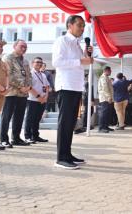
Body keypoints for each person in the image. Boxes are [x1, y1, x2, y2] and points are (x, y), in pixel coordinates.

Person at [52, 15, 93, 170]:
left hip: (76, 87)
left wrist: (87, 54)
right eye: (79, 25)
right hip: (66, 87)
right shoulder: (62, 41)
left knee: (70, 124)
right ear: (69, 25)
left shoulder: (77, 44)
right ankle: (60, 158)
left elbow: (83, 62)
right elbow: (57, 62)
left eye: (83, 26)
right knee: (64, 123)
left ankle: (67, 154)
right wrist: (81, 61)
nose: (82, 29)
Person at [0, 40, 32, 148]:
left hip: (23, 94)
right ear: (14, 46)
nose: (24, 48)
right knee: (7, 116)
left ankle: (16, 138)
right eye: (21, 46)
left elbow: (29, 75)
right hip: (11, 92)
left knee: (19, 116)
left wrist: (28, 87)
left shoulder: (26, 61)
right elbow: (8, 75)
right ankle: (3, 139)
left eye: (25, 47)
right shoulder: (8, 58)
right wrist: (20, 86)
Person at [24, 57, 50, 143]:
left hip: (42, 100)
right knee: (30, 119)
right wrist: (39, 97)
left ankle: (35, 136)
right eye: (37, 62)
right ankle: (28, 136)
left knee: (37, 119)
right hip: (32, 99)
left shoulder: (43, 75)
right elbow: (29, 87)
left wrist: (45, 97)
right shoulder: (30, 73)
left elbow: (46, 86)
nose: (39, 64)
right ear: (32, 63)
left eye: (41, 63)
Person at [97, 66, 114, 133]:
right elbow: (105, 89)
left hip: (107, 98)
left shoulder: (107, 78)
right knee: (103, 113)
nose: (110, 72)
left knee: (107, 113)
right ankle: (101, 128)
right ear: (106, 71)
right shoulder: (103, 78)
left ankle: (105, 126)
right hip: (105, 98)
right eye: (110, 71)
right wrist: (109, 97)